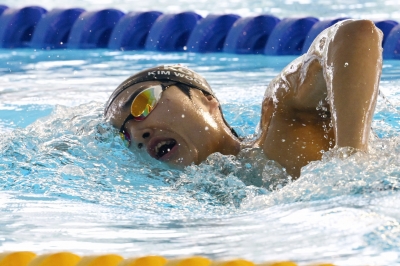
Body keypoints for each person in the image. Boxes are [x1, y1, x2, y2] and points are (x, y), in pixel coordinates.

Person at [104, 19, 382, 178]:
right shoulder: (197, 204)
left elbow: (355, 34)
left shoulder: (282, 119)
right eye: (124, 135)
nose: (136, 132)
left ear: (205, 99)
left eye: (142, 104)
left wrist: (351, 157)